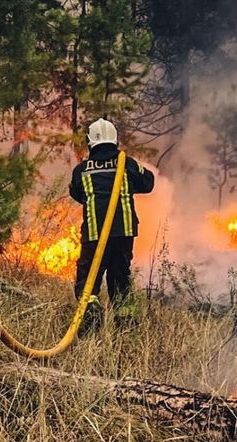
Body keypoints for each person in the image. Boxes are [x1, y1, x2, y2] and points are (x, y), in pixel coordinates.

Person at [69, 118, 154, 331]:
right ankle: (126, 328)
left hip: (95, 235)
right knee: (120, 280)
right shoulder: (128, 165)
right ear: (115, 141)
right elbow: (148, 182)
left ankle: (91, 315)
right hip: (123, 235)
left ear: (90, 143)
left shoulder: (81, 170)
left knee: (87, 281)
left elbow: (77, 194)